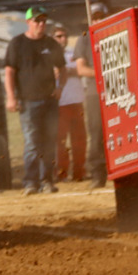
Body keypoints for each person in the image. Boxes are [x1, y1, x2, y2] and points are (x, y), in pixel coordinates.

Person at [3, 6, 66, 195]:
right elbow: (9, 72)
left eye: (44, 21)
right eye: (37, 21)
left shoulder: (51, 44)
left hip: (49, 101)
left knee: (49, 141)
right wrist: (11, 97)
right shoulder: (17, 44)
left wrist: (60, 88)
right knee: (32, 142)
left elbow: (62, 68)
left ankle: (47, 180)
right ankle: (31, 182)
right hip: (28, 101)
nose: (41, 24)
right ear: (28, 22)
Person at [73, 4, 108, 189]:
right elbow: (81, 68)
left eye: (101, 16)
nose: (98, 20)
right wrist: (103, 74)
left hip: (117, 89)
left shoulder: (115, 32)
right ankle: (97, 174)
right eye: (94, 17)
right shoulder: (84, 39)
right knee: (96, 133)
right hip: (95, 92)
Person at [53, 23, 87, 182]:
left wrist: (67, 71)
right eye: (59, 36)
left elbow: (81, 70)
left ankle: (79, 171)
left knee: (79, 139)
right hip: (60, 103)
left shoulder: (73, 53)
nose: (63, 39)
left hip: (76, 100)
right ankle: (62, 172)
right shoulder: (49, 56)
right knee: (60, 141)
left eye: (65, 36)